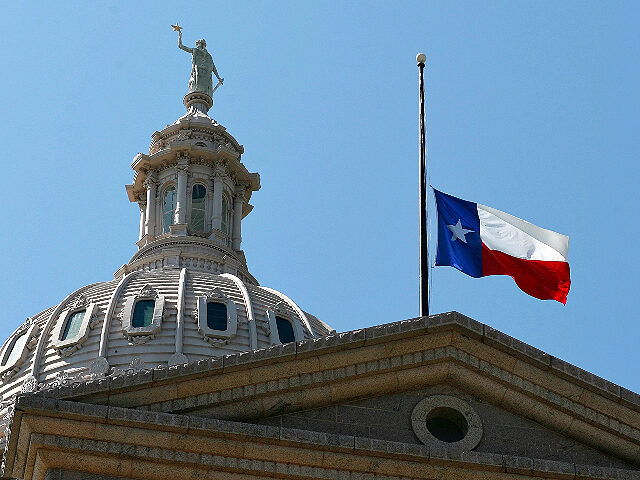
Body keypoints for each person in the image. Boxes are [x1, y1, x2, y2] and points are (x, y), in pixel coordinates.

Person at [178, 30, 223, 97]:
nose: (197, 46)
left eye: (198, 44)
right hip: (198, 72)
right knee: (196, 87)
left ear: (202, 45)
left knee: (204, 91)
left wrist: (218, 77)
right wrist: (180, 36)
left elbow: (213, 67)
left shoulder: (208, 55)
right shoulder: (195, 51)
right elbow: (181, 46)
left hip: (207, 74)